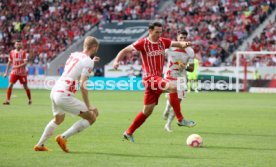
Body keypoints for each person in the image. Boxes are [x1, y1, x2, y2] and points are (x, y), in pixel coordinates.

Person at [113, 21, 196, 143]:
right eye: (157, 32)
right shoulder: (143, 43)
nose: (159, 34)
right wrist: (116, 61)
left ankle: (128, 132)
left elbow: (176, 43)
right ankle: (180, 119)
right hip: (149, 78)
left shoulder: (163, 42)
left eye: (160, 32)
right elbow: (125, 50)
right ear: (150, 31)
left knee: (147, 111)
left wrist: (184, 43)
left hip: (157, 79)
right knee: (173, 87)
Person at [34, 36, 100, 152]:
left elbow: (76, 68)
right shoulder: (88, 61)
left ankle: (40, 145)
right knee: (92, 116)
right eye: (96, 48)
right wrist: (89, 106)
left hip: (55, 90)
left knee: (58, 119)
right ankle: (62, 138)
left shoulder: (74, 54)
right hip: (64, 94)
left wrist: (90, 62)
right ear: (94, 47)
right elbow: (83, 85)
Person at [163, 30, 195, 132]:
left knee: (178, 102)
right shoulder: (169, 47)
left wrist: (184, 66)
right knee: (171, 98)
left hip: (181, 78)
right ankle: (167, 107)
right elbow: (161, 57)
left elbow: (192, 69)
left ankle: (168, 124)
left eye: (184, 38)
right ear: (177, 38)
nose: (183, 40)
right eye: (181, 38)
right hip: (169, 75)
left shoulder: (190, 51)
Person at [3, 39, 32, 105]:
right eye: (17, 44)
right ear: (15, 45)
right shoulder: (12, 52)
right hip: (14, 73)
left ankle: (29, 99)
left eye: (19, 44)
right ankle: (8, 101)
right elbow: (9, 62)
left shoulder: (23, 52)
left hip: (22, 73)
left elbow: (25, 63)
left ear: (21, 45)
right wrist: (6, 72)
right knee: (10, 85)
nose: (18, 45)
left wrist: (17, 66)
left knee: (25, 87)